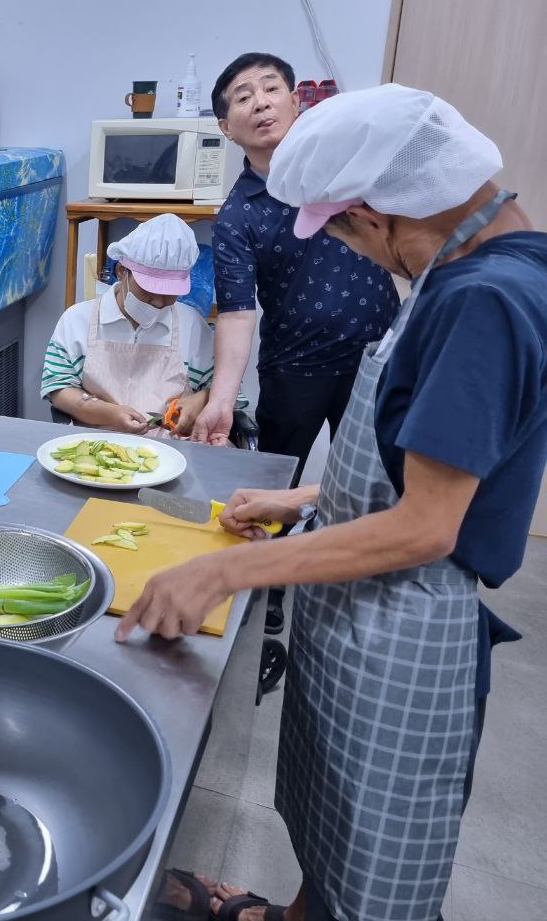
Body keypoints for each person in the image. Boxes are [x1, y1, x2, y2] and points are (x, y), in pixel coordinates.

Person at [120, 84, 540, 921]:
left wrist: (227, 571)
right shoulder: (493, 261)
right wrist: (315, 493)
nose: (359, 254)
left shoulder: (479, 300)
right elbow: (444, 463)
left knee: (375, 859)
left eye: (346, 231)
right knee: (331, 819)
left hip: (403, 624)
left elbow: (428, 525)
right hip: (360, 607)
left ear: (382, 215)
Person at [195, 53, 401, 636]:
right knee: (278, 489)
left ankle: (363, 594)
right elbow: (237, 312)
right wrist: (220, 398)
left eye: (270, 88)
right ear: (226, 126)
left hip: (379, 358)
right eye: (242, 97)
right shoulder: (237, 214)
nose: (260, 102)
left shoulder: (344, 172)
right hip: (295, 369)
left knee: (376, 480)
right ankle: (268, 604)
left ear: (296, 100)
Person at [42, 213, 214, 436]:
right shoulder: (77, 320)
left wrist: (201, 400)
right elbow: (58, 388)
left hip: (174, 450)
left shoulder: (192, 326)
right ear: (122, 271)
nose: (160, 302)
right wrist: (109, 413)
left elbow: (226, 391)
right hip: (98, 447)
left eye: (170, 293)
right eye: (150, 290)